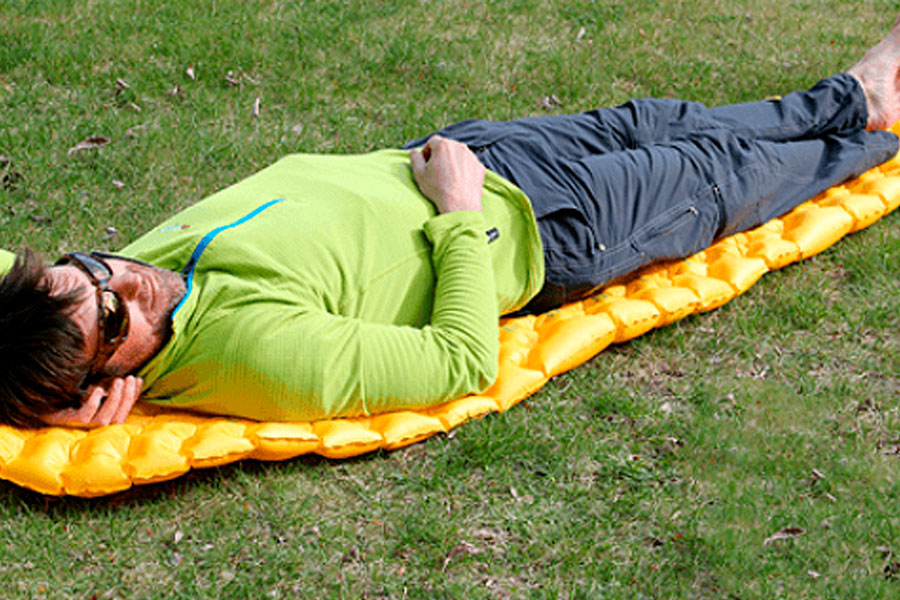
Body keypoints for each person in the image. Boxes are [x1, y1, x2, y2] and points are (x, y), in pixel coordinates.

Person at [2, 20, 900, 429]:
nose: (130, 283)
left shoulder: (86, 295)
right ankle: (880, 129)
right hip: (552, 228)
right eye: (112, 321)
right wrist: (459, 213)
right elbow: (458, 363)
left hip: (469, 153)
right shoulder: (247, 355)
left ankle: (852, 92)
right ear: (100, 384)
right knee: (720, 172)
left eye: (92, 271)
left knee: (665, 118)